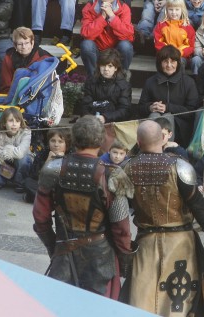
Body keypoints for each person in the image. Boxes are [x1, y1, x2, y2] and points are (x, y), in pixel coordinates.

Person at [123, 119, 204, 313]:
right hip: (181, 243)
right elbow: (198, 206)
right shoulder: (180, 167)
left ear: (138, 142)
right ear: (163, 139)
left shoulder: (128, 168)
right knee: (179, 305)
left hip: (146, 243)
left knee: (142, 301)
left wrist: (121, 245)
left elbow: (119, 211)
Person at [33, 115, 134, 296]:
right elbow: (122, 228)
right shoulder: (112, 175)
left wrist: (54, 247)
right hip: (101, 258)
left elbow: (40, 218)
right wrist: (125, 259)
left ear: (74, 138)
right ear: (101, 141)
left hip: (63, 255)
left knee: (60, 305)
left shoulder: (53, 168)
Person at [139, 44, 200, 143]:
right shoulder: (150, 82)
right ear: (160, 63)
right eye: (165, 61)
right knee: (154, 115)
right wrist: (150, 107)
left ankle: (167, 149)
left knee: (168, 116)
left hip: (180, 127)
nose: (169, 65)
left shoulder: (188, 82)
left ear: (178, 63)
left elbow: (192, 111)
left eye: (172, 61)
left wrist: (168, 107)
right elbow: (140, 108)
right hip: (154, 122)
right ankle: (151, 148)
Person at [79, 0, 135, 78]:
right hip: (97, 49)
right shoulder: (89, 7)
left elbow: (128, 34)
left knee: (126, 46)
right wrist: (102, 17)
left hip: (116, 49)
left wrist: (112, 17)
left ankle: (121, 78)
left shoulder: (124, 7)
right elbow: (86, 34)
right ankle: (94, 79)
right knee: (86, 45)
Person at [78, 48, 132, 123]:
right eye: (103, 65)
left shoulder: (124, 86)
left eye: (110, 66)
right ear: (99, 66)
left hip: (114, 122)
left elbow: (125, 110)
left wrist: (105, 117)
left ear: (116, 68)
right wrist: (90, 119)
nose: (106, 69)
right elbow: (85, 106)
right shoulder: (91, 82)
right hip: (92, 121)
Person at [0, 107, 32, 192]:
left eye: (17, 121)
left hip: (19, 165)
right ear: (4, 123)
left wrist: (8, 148)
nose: (14, 124)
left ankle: (20, 183)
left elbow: (20, 153)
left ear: (20, 123)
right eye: (11, 121)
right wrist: (4, 152)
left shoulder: (26, 132)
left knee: (24, 159)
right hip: (6, 163)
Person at [0, 27, 51, 94]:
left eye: (27, 43)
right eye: (20, 44)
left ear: (32, 43)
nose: (24, 47)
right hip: (14, 94)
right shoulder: (8, 58)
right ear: (15, 45)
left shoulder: (43, 57)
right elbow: (6, 85)